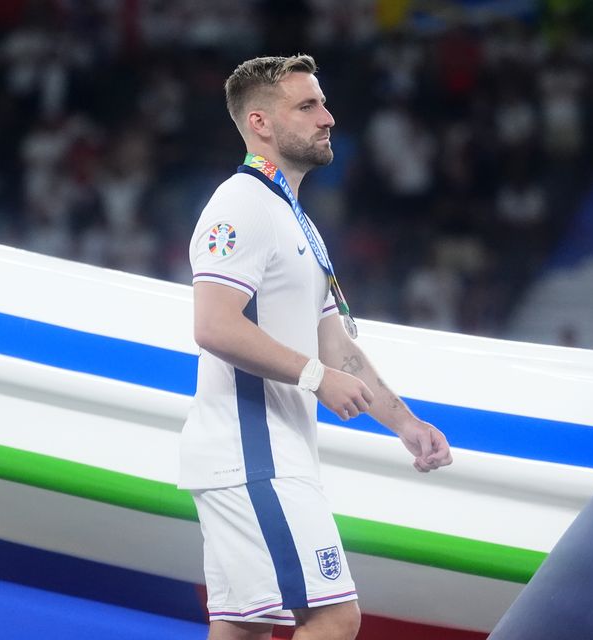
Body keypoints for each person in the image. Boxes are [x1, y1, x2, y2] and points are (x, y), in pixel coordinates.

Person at [178, 54, 453, 640]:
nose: (328, 117)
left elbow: (336, 346)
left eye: (323, 103)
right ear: (260, 123)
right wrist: (314, 378)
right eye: (307, 106)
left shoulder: (294, 218)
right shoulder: (241, 204)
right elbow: (214, 325)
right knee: (333, 617)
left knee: (241, 629)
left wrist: (404, 424)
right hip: (253, 455)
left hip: (261, 455)